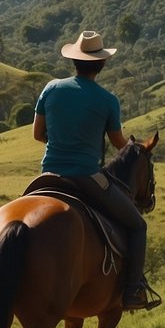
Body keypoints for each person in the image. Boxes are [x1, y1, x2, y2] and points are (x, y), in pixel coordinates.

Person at [32, 30, 153, 310]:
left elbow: (38, 134)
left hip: (46, 176)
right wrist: (133, 144)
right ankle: (133, 291)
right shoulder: (107, 100)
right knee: (137, 225)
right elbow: (119, 144)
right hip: (86, 177)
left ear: (74, 61)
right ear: (101, 64)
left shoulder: (50, 88)